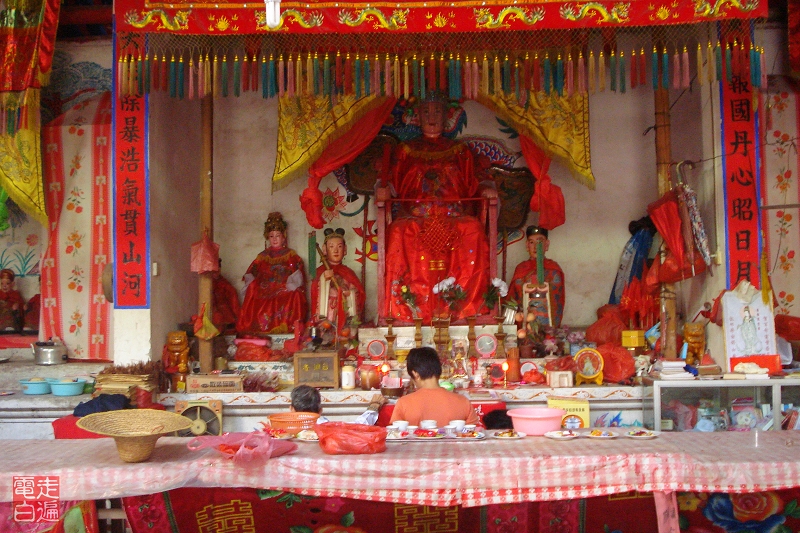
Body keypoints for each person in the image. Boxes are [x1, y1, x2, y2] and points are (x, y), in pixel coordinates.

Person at [382, 94, 492, 322]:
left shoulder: (459, 150)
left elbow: (475, 180)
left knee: (473, 229)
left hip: (454, 214)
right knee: (399, 231)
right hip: (415, 215)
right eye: (426, 112)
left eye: (437, 112)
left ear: (446, 117)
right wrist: (382, 189)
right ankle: (407, 307)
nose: (432, 117)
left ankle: (467, 307)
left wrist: (486, 189)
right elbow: (391, 181)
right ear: (418, 117)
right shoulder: (406, 150)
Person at [236, 213, 308, 336]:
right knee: (253, 290)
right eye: (271, 236)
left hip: (283, 287)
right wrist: (256, 283)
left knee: (295, 294)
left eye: (277, 236)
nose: (274, 239)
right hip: (265, 288)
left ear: (283, 237)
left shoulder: (291, 255)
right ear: (268, 237)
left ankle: (289, 325)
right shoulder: (262, 256)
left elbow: (298, 273)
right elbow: (251, 272)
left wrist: (290, 284)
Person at [390, 347, 481, 427]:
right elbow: (475, 434)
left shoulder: (403, 403)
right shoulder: (463, 402)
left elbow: (394, 435)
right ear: (439, 370)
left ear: (415, 374)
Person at [310, 228, 365, 337]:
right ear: (324, 249)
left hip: (344, 309)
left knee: (346, 329)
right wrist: (324, 279)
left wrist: (350, 294)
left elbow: (358, 292)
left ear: (345, 250)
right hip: (328, 312)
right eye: (331, 247)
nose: (336, 251)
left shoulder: (348, 273)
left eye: (339, 247)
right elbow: (314, 292)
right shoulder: (320, 272)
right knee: (326, 328)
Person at [508, 225, 565, 328]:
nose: (535, 247)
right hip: (527, 315)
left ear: (546, 245)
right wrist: (526, 287)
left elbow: (557, 294)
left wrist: (546, 287)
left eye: (540, 242)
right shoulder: (521, 268)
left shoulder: (553, 268)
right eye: (531, 242)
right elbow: (514, 294)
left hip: (546, 316)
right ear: (527, 245)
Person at [290, 384, 385, 425]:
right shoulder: (325, 427)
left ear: (291, 409)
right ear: (320, 411)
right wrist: (373, 407)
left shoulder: (282, 432)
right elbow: (358, 427)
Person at [211, 260, 240, 334]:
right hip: (211, 311)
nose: (217, 272)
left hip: (224, 311)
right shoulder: (207, 282)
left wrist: (238, 316)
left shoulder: (224, 284)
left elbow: (233, 300)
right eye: (214, 270)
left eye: (218, 269)